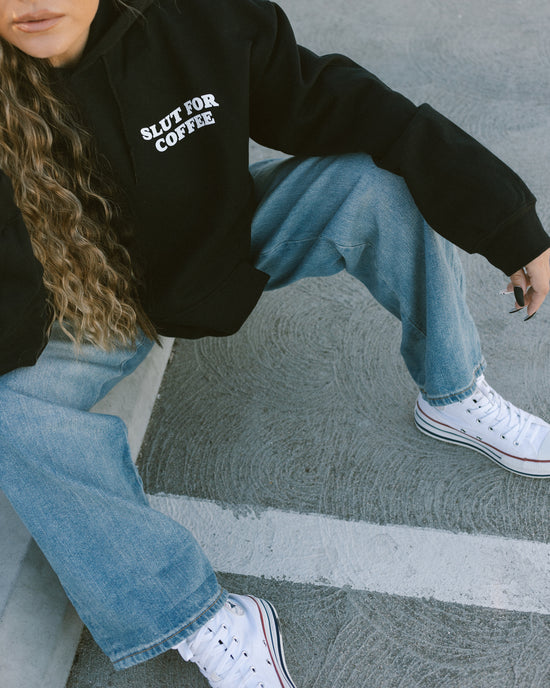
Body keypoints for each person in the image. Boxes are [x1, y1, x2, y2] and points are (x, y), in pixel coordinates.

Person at [0, 0, 549, 686]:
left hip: (214, 246)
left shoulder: (199, 19)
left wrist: (508, 221)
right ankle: (198, 617)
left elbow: (350, 106)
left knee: (376, 181)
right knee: (12, 416)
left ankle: (455, 390)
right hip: (80, 308)